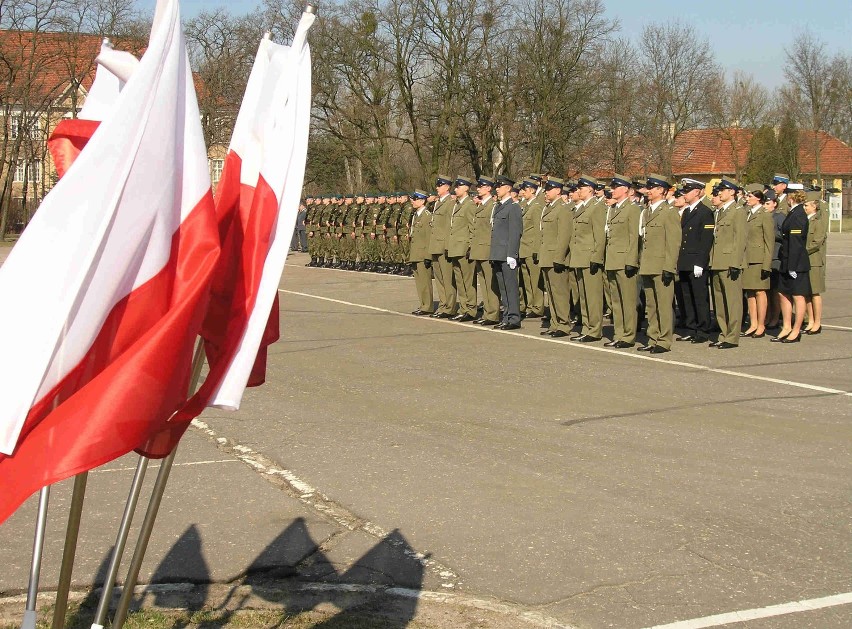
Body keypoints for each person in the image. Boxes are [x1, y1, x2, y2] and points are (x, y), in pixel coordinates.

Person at [637, 174, 680, 354]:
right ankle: (653, 336)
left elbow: (673, 242)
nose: (648, 191)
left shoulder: (669, 212)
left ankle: (664, 340)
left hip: (662, 265)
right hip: (648, 264)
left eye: (652, 188)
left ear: (662, 190)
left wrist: (669, 267)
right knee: (651, 305)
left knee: (663, 305)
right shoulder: (647, 211)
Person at [708, 177, 747, 349]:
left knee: (732, 301)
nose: (719, 193)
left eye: (723, 190)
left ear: (732, 192)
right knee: (719, 301)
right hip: (717, 261)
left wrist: (736, 262)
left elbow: (740, 239)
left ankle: (732, 337)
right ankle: (723, 333)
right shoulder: (720, 211)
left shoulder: (738, 211)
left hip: (729, 261)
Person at [675, 178, 715, 343]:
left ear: (697, 192)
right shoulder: (686, 212)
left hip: (696, 261)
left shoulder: (705, 212)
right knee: (687, 296)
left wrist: (700, 262)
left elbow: (705, 240)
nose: (684, 193)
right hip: (685, 260)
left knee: (699, 297)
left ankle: (703, 330)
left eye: (687, 190)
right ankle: (691, 328)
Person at [603, 175, 641, 348]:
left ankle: (628, 335)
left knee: (628, 300)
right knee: (616, 301)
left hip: (624, 260)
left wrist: (631, 261)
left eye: (616, 187)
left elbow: (634, 237)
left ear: (626, 189)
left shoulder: (632, 209)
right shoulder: (614, 209)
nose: (612, 190)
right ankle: (619, 333)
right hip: (612, 260)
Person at [568, 175, 607, 342]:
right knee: (583, 297)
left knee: (593, 297)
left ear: (591, 189)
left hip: (590, 258)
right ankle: (587, 327)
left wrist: (596, 258)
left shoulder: (596, 208)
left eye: (582, 188)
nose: (579, 191)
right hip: (579, 257)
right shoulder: (581, 208)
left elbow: (600, 236)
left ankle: (595, 330)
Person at [772, 187, 810, 343]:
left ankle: (796, 330)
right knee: (783, 293)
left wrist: (792, 266)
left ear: (792, 197)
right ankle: (786, 327)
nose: (786, 198)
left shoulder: (799, 215)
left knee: (798, 295)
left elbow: (796, 243)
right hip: (787, 260)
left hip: (796, 262)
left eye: (788, 195)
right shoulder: (793, 213)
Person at [538, 178, 573, 338]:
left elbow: (564, 236)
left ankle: (564, 324)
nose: (546, 191)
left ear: (558, 191)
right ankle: (555, 322)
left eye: (549, 189)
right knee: (551, 293)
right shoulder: (548, 208)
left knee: (560, 293)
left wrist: (559, 258)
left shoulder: (563, 210)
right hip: (546, 256)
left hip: (555, 258)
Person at [489, 174, 524, 330]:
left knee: (510, 287)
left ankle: (514, 318)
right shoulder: (498, 206)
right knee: (503, 288)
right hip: (497, 253)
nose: (497, 189)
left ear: (508, 188)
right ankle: (506, 316)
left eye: (499, 186)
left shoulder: (514, 207)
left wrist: (512, 254)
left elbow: (515, 232)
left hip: (507, 254)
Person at [740, 184, 774, 338]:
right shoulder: (746, 213)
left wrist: (767, 264)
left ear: (758, 198)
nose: (747, 199)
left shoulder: (764, 215)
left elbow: (769, 242)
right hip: (746, 259)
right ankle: (753, 323)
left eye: (750, 196)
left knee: (760, 292)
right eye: (747, 196)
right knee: (750, 293)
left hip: (759, 260)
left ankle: (761, 325)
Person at [470, 176, 501, 326]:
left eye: (482, 186)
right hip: (478, 249)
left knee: (490, 283)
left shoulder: (493, 206)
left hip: (487, 249)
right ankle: (488, 312)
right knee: (483, 282)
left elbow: (493, 230)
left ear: (489, 188)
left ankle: (493, 313)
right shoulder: (481, 205)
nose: (478, 188)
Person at [446, 176, 478, 321]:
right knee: (460, 280)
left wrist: (470, 246)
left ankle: (471, 309)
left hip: (464, 249)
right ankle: (464, 307)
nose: (456, 189)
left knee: (468, 281)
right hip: (455, 248)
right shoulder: (458, 205)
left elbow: (473, 228)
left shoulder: (470, 205)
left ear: (466, 188)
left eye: (458, 187)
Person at [429, 175, 456, 318]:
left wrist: (447, 246)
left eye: (439, 185)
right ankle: (443, 304)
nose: (437, 188)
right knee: (439, 279)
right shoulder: (438, 203)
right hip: (435, 245)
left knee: (447, 279)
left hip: (443, 246)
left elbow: (450, 227)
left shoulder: (450, 203)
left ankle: (450, 307)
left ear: (447, 187)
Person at [804, 190, 827, 335]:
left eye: (807, 205)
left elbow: (816, 242)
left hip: (814, 261)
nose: (805, 207)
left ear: (815, 206)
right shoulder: (804, 221)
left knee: (814, 292)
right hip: (804, 261)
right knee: (806, 292)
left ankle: (817, 322)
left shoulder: (818, 222)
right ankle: (810, 320)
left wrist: (801, 252)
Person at [407, 189, 434, 316]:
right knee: (419, 282)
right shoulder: (416, 215)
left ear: (423, 201)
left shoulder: (427, 216)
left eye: (416, 199)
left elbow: (429, 237)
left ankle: (427, 306)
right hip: (415, 254)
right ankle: (423, 304)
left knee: (425, 282)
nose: (413, 201)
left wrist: (428, 256)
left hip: (423, 254)